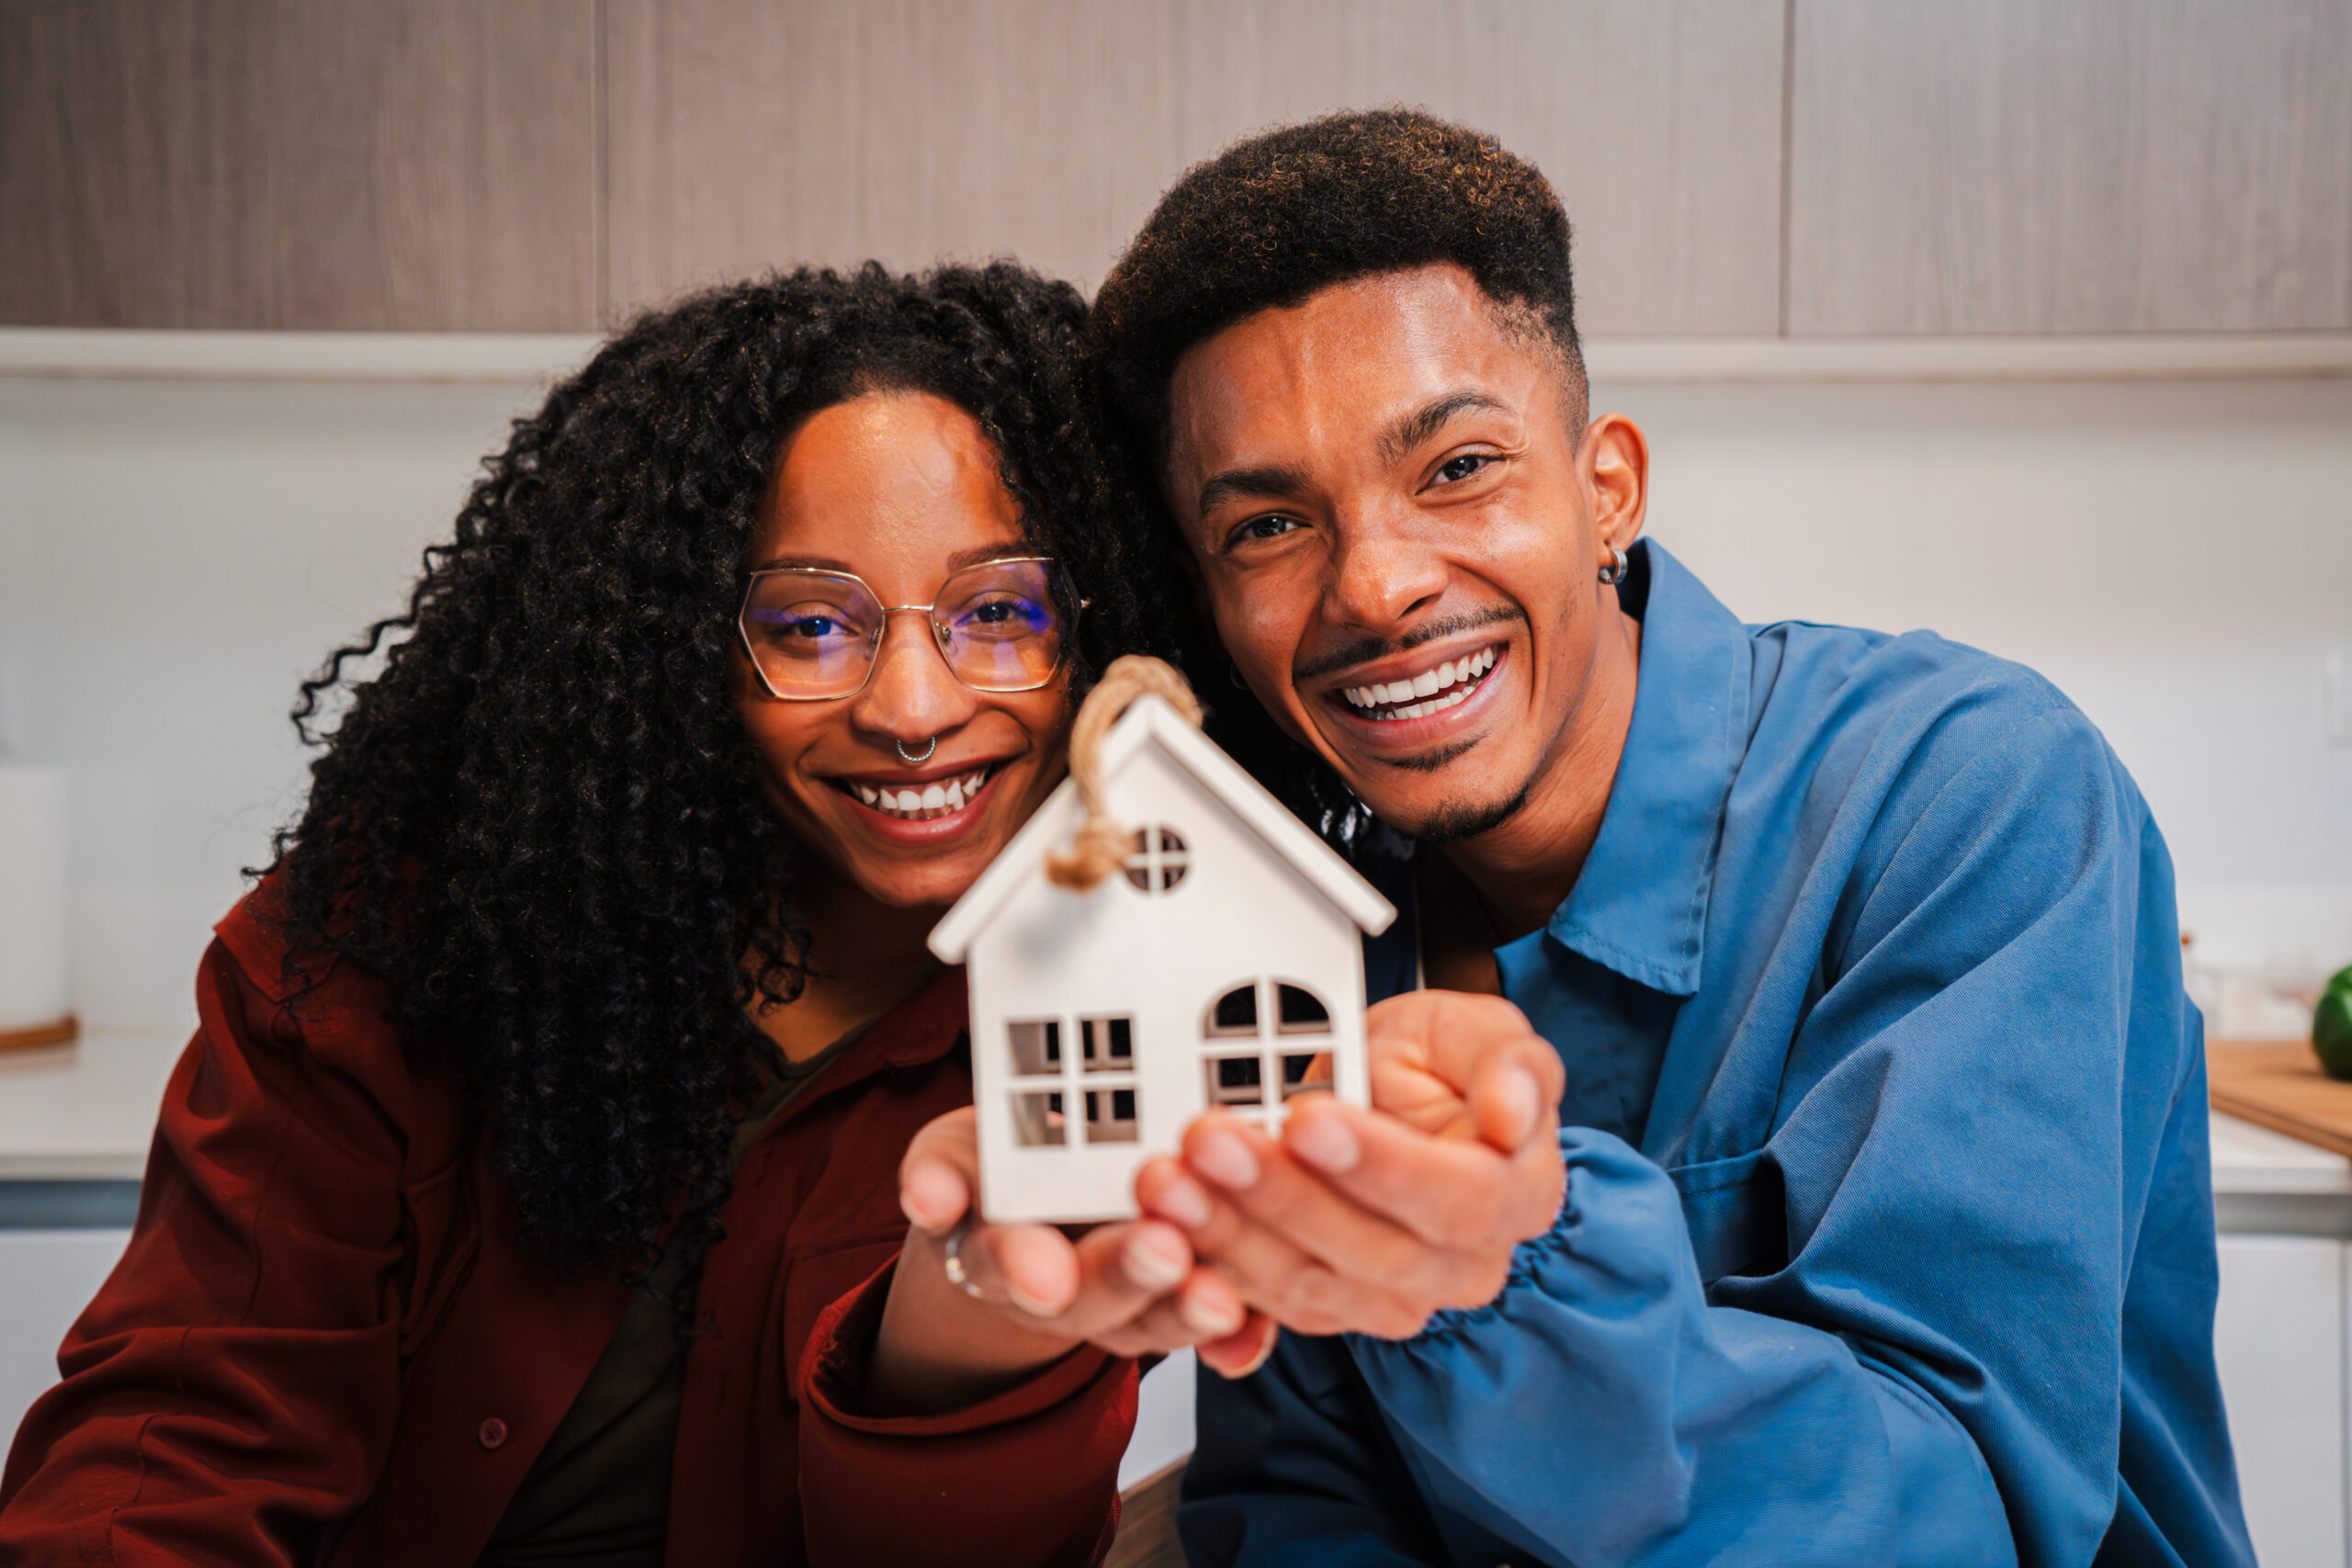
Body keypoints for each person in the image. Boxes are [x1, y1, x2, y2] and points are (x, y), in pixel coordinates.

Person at [0, 262, 1565, 1568]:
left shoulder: (1140, 1002)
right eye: (808, 623)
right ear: (682, 649)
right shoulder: (385, 956)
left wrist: (982, 1325)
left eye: (1000, 613)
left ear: (1101, 631)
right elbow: (174, 1451)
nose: (912, 706)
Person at [1089, 109, 2256, 1567]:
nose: (1375, 587)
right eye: (1269, 527)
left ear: (1607, 490)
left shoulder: (1968, 794)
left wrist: (1505, 1254)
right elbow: (1302, 1509)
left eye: (1456, 467)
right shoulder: (1305, 947)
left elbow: (1957, 1515)